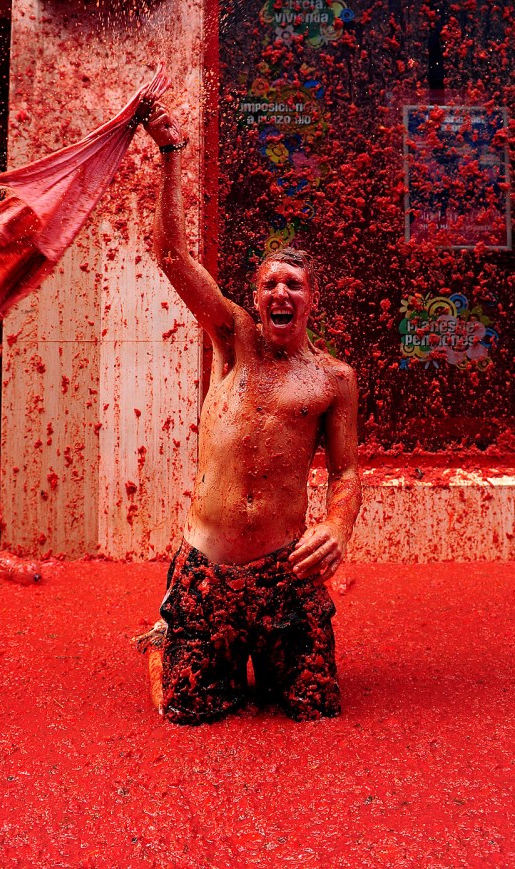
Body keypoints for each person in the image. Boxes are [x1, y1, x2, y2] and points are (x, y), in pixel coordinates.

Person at [142, 102, 362, 725]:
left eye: (293, 284)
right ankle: (176, 633)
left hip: (283, 577)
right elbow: (171, 257)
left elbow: (346, 474)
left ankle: (269, 654)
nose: (279, 293)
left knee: (312, 707)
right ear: (255, 295)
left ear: (312, 299)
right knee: (189, 709)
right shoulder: (231, 339)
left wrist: (339, 526)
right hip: (206, 569)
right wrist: (170, 154)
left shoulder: (334, 380)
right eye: (269, 283)